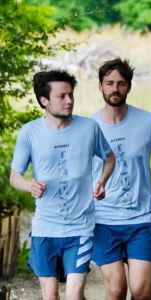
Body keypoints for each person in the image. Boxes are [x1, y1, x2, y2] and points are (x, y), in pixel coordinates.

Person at [10, 70, 115, 300]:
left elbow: (109, 157)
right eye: (61, 96)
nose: (69, 101)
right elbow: (15, 176)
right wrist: (30, 186)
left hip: (80, 228)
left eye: (71, 95)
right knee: (50, 297)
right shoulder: (29, 132)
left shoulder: (89, 128)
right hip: (45, 229)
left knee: (75, 295)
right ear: (44, 101)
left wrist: (101, 182)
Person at [91, 58, 151, 300]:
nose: (114, 89)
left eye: (121, 83)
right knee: (117, 290)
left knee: (141, 291)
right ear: (100, 86)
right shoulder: (89, 126)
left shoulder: (149, 121)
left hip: (140, 219)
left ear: (129, 87)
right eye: (109, 83)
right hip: (103, 219)